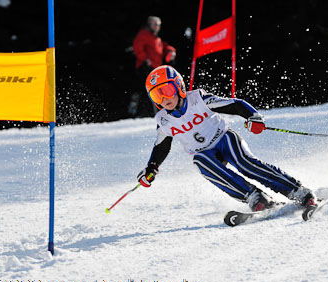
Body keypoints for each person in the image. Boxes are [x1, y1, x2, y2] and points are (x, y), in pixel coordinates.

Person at [136, 65, 318, 213]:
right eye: (156, 95)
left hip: (223, 139)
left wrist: (252, 116)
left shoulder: (198, 100)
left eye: (167, 90)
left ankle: (298, 191)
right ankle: (254, 196)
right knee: (201, 162)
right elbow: (161, 147)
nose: (164, 98)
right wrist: (152, 168)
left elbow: (234, 104)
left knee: (245, 163)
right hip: (204, 153)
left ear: (179, 86)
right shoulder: (163, 120)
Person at [131, 16, 176, 117]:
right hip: (146, 67)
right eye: (155, 24)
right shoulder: (143, 34)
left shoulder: (155, 37)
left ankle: (153, 112)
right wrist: (145, 59)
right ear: (149, 24)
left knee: (157, 90)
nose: (157, 27)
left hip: (155, 69)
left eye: (159, 25)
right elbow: (137, 47)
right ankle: (142, 113)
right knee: (147, 91)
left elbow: (164, 46)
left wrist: (170, 51)